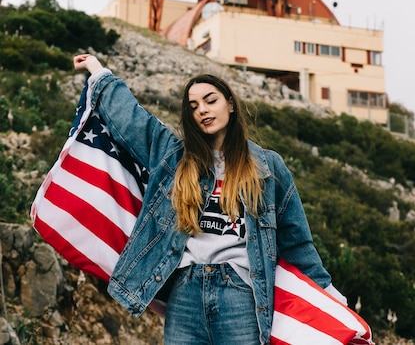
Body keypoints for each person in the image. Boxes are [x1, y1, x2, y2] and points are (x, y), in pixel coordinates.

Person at [74, 53, 346, 345]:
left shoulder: (267, 167)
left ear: (230, 104)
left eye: (210, 100)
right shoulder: (174, 157)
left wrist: (326, 293)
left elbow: (296, 241)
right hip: (185, 293)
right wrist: (97, 70)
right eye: (194, 106)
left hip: (241, 294)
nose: (202, 109)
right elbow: (132, 120)